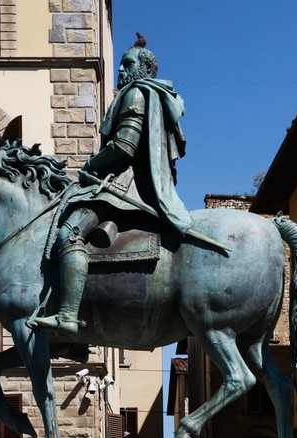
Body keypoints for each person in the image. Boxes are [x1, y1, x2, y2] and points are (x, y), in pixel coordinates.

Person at [32, 36, 192, 334]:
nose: (120, 69)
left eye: (127, 64)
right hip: (133, 184)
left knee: (69, 234)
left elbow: (124, 146)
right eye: (120, 63)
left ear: (144, 69)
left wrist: (92, 164)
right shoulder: (154, 95)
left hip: (121, 186)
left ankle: (67, 314)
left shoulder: (135, 93)